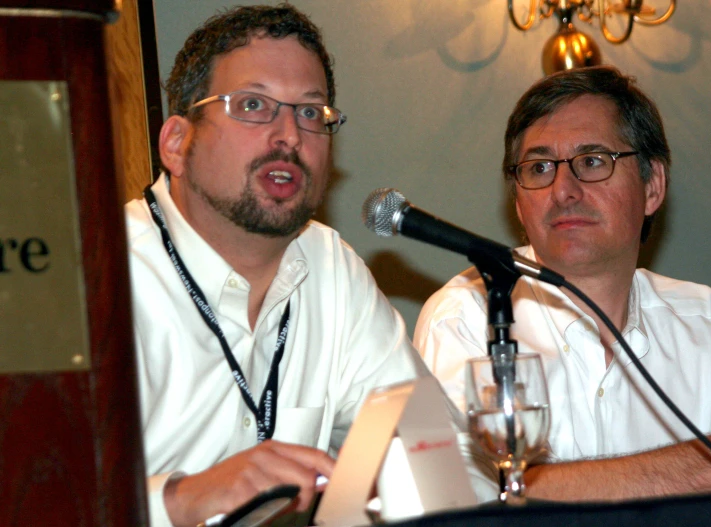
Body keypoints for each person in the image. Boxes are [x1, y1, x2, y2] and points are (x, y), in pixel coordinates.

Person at [125, 6, 487, 527]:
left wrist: (403, 495)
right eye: (254, 105)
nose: (290, 137)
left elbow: (439, 465)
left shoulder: (330, 269)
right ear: (177, 143)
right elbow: (36, 491)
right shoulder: (98, 278)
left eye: (311, 113)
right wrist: (179, 501)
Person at [414, 65, 711, 500]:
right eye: (540, 167)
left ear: (653, 186)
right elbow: (474, 504)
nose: (563, 189)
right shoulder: (466, 318)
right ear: (518, 199)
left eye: (591, 161)